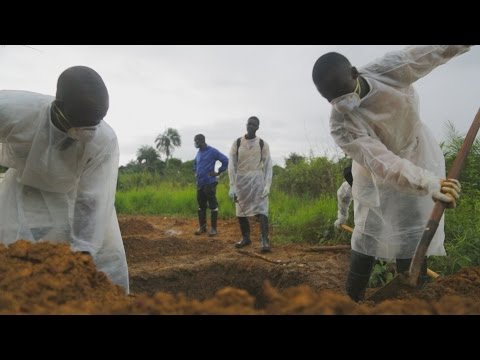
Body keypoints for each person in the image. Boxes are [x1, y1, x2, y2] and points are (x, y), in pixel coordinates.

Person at [312, 45, 469, 302]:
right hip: (372, 177)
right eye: (332, 99)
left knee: (413, 229)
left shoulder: (388, 70)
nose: (341, 103)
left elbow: (432, 52)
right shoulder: (340, 126)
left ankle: (411, 299)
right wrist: (426, 182)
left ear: (354, 73)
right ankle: (352, 301)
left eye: (343, 92)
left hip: (419, 156)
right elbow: (382, 162)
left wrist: (427, 179)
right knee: (366, 234)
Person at [0, 66, 129, 293]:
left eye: (95, 122)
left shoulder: (103, 141)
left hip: (74, 192)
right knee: (14, 254)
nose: (89, 131)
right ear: (59, 106)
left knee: (108, 258)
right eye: (81, 123)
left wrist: (84, 253)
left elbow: (93, 199)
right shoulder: (14, 110)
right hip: (22, 188)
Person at [228, 116, 273, 253]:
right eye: (249, 124)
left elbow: (268, 165)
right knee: (240, 210)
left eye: (254, 125)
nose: (251, 126)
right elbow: (231, 164)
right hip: (241, 181)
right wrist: (232, 185)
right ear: (246, 125)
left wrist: (267, 185)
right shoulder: (237, 143)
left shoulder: (262, 144)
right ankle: (245, 237)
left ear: (258, 127)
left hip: (257, 180)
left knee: (262, 209)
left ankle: (264, 240)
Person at [193, 134, 229, 236]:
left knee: (213, 206)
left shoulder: (212, 151)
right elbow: (195, 164)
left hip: (210, 183)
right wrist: (195, 172)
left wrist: (218, 171)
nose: (195, 143)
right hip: (200, 184)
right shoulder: (198, 153)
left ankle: (213, 229)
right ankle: (202, 227)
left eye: (196, 141)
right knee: (201, 206)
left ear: (201, 141)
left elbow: (225, 160)